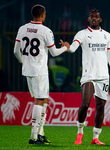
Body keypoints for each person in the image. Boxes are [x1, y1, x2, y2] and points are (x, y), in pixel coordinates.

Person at [13, 4, 70, 144]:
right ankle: (33, 137)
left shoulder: (22, 29)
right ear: (43, 15)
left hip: (28, 70)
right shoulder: (46, 31)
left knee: (43, 99)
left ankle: (40, 132)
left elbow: (16, 51)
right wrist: (65, 48)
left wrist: (23, 62)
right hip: (39, 71)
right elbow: (54, 53)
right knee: (39, 101)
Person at [67, 9, 110, 145]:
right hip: (88, 74)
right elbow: (73, 48)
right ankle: (80, 132)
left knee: (101, 106)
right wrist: (68, 47)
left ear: (100, 19)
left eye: (97, 17)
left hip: (103, 76)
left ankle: (95, 137)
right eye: (92, 17)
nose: (94, 19)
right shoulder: (83, 34)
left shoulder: (106, 35)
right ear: (88, 19)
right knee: (85, 104)